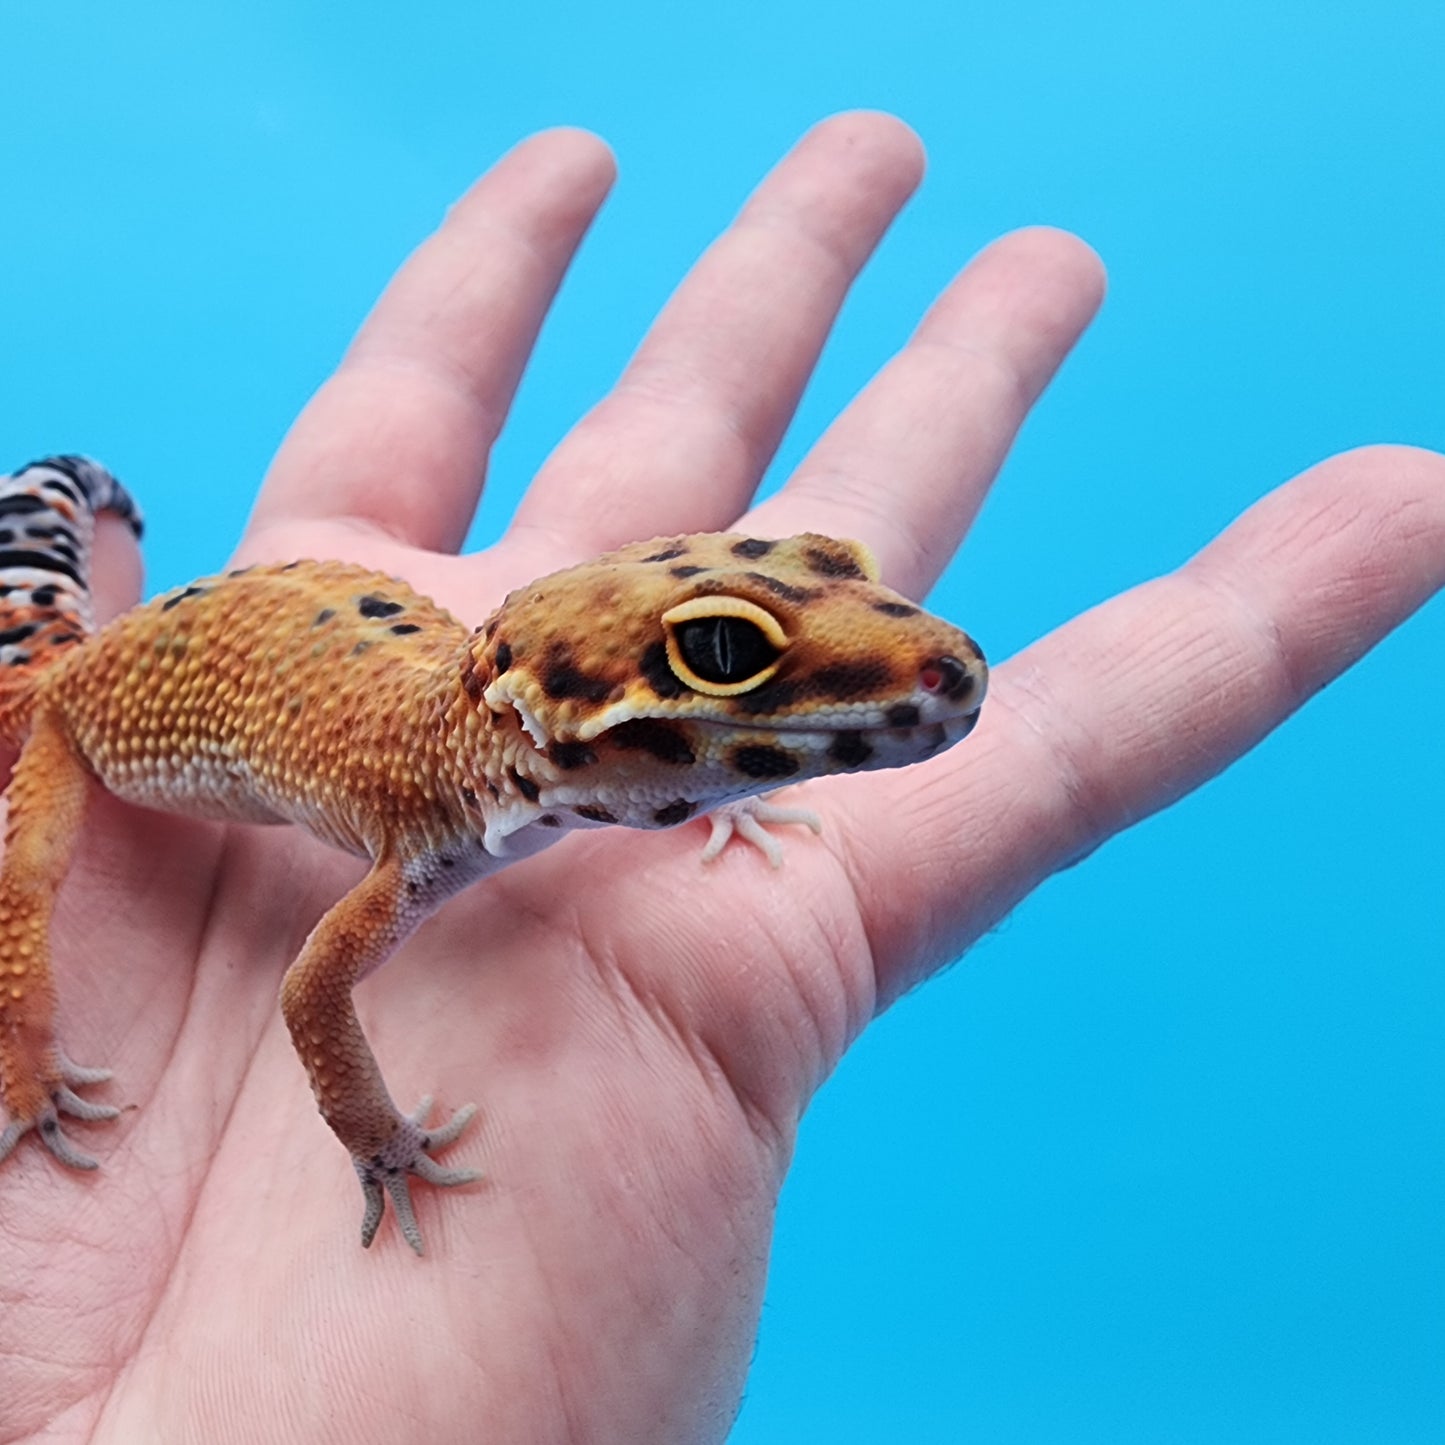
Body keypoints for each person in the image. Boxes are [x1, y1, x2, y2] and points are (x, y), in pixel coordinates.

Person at [1, 112, 1440, 1444]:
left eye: (824, 594)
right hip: (87, 705)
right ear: (541, 714)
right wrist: (374, 1138)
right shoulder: (425, 830)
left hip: (307, 631)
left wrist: (698, 794)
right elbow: (310, 991)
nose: (892, 666)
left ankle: (61, 507)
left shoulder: (548, 760)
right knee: (29, 882)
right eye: (726, 653)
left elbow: (616, 768)